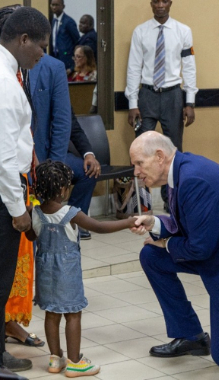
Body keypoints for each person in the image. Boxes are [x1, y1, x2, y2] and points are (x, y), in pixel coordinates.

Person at [130, 131, 219, 369]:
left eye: (139, 163)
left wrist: (168, 243)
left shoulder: (193, 179)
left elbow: (200, 247)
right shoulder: (181, 169)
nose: (136, 172)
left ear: (159, 156)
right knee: (151, 256)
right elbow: (191, 225)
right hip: (215, 251)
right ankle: (191, 336)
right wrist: (155, 223)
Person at [25, 160, 137, 377]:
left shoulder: (36, 213)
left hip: (45, 273)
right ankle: (75, 362)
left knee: (51, 313)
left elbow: (31, 236)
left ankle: (55, 358)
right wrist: (128, 222)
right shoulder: (71, 213)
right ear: (62, 189)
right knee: (73, 315)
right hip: (67, 273)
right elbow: (100, 227)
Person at [0, 6, 50, 380]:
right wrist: (18, 209)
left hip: (10, 188)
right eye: (41, 46)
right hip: (4, 193)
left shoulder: (9, 72)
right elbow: (3, 156)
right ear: (23, 39)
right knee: (1, 278)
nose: (43, 54)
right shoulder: (4, 84)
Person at [125, 0, 197, 210]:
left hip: (173, 96)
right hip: (146, 95)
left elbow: (190, 67)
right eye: (156, 1)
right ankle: (143, 205)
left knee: (174, 152)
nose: (160, 5)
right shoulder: (141, 32)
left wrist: (190, 101)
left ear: (170, 3)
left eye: (164, 1)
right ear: (151, 4)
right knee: (141, 151)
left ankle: (172, 202)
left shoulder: (183, 31)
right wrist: (132, 103)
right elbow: (133, 67)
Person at [29, 53, 101, 240]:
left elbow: (72, 126)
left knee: (88, 171)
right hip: (33, 155)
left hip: (58, 154)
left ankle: (74, 220)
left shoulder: (56, 82)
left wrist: (88, 153)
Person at [50, 0, 80, 74]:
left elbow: (77, 40)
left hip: (66, 58)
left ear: (63, 6)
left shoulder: (69, 21)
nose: (54, 7)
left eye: (57, 5)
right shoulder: (53, 21)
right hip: (55, 56)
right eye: (52, 5)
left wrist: (72, 66)